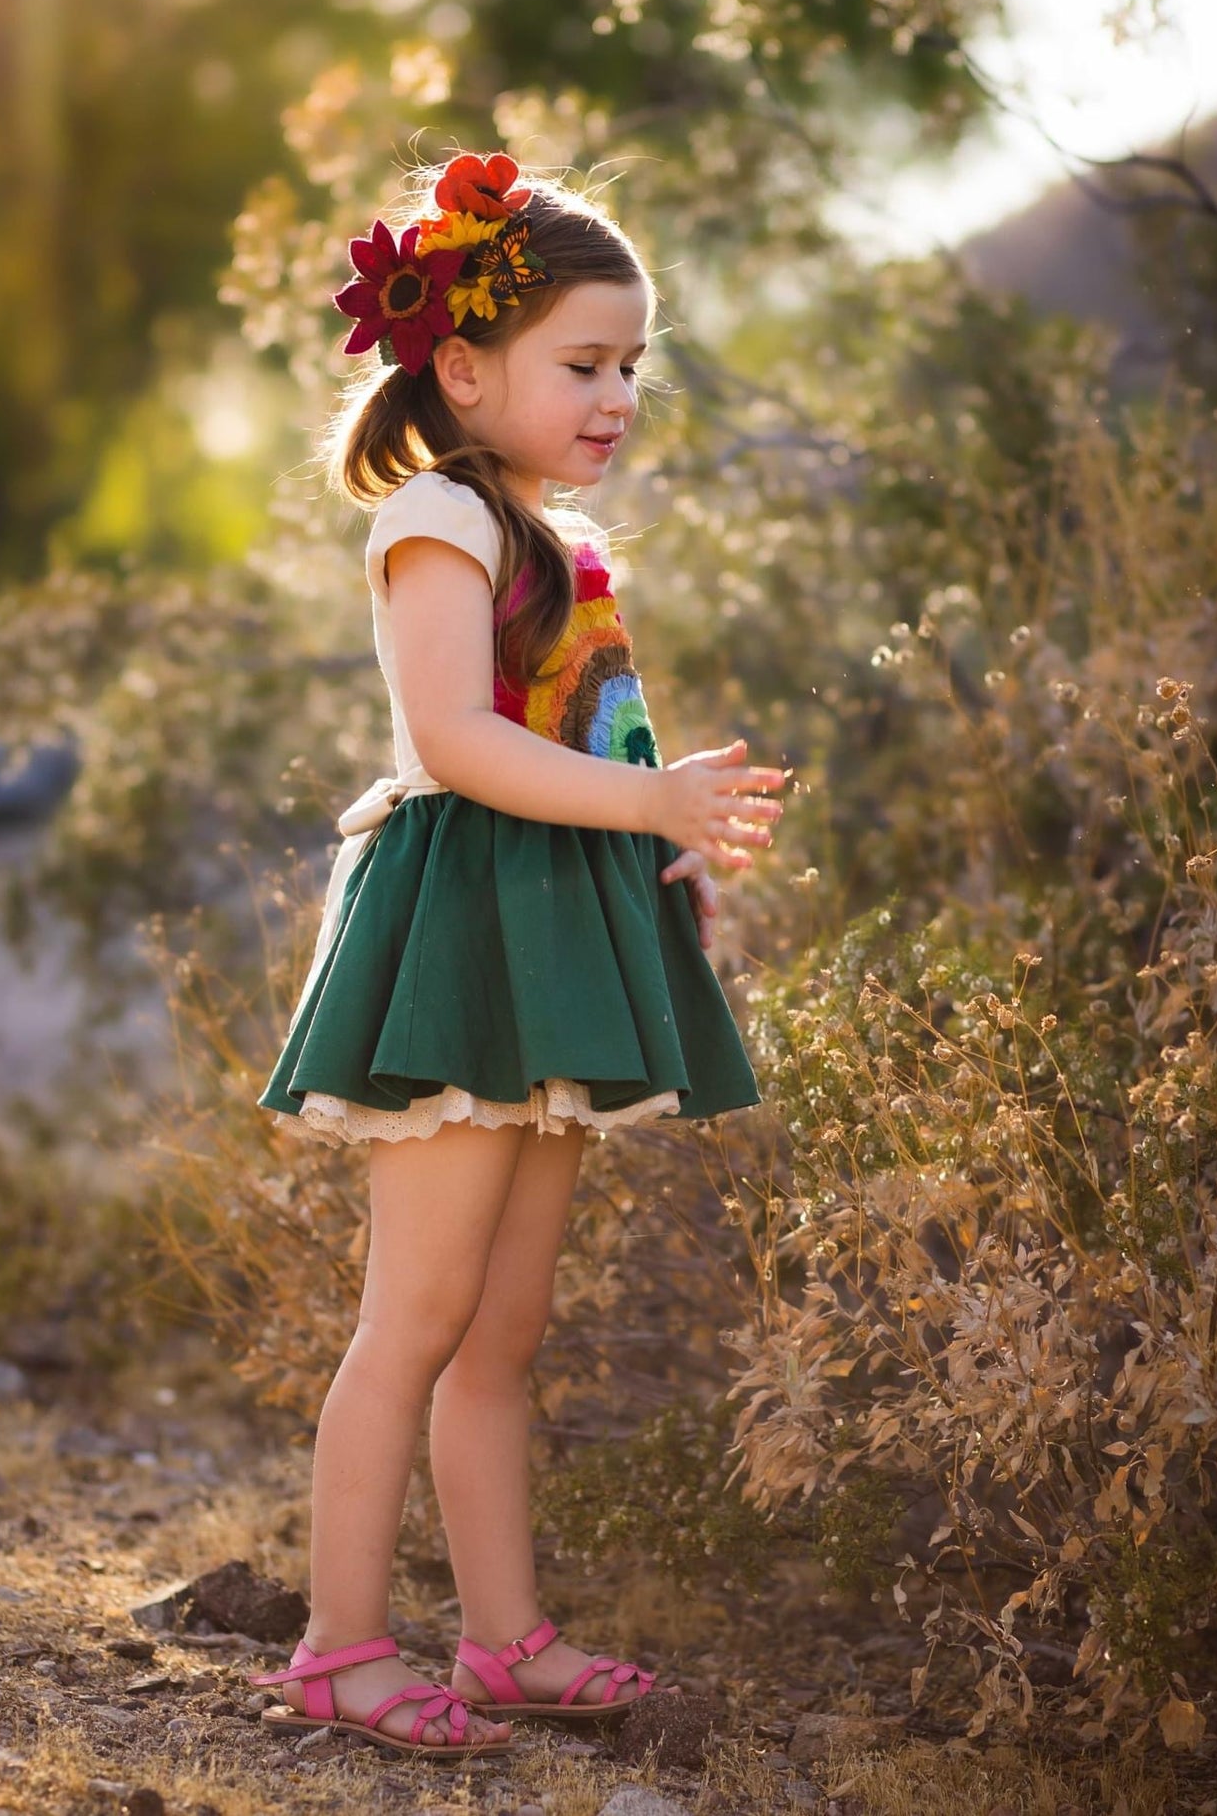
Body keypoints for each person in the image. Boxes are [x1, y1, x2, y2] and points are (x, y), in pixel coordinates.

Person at [248, 151, 787, 1758]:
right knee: (411, 1320)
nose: (616, 392)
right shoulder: (436, 516)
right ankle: (340, 1645)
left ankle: (503, 1641)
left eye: (631, 363)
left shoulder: (554, 526)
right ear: (464, 367)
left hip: (549, 929)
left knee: (506, 1330)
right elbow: (455, 737)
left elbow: (576, 727)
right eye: (582, 363)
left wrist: (662, 837)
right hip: (464, 935)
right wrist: (643, 795)